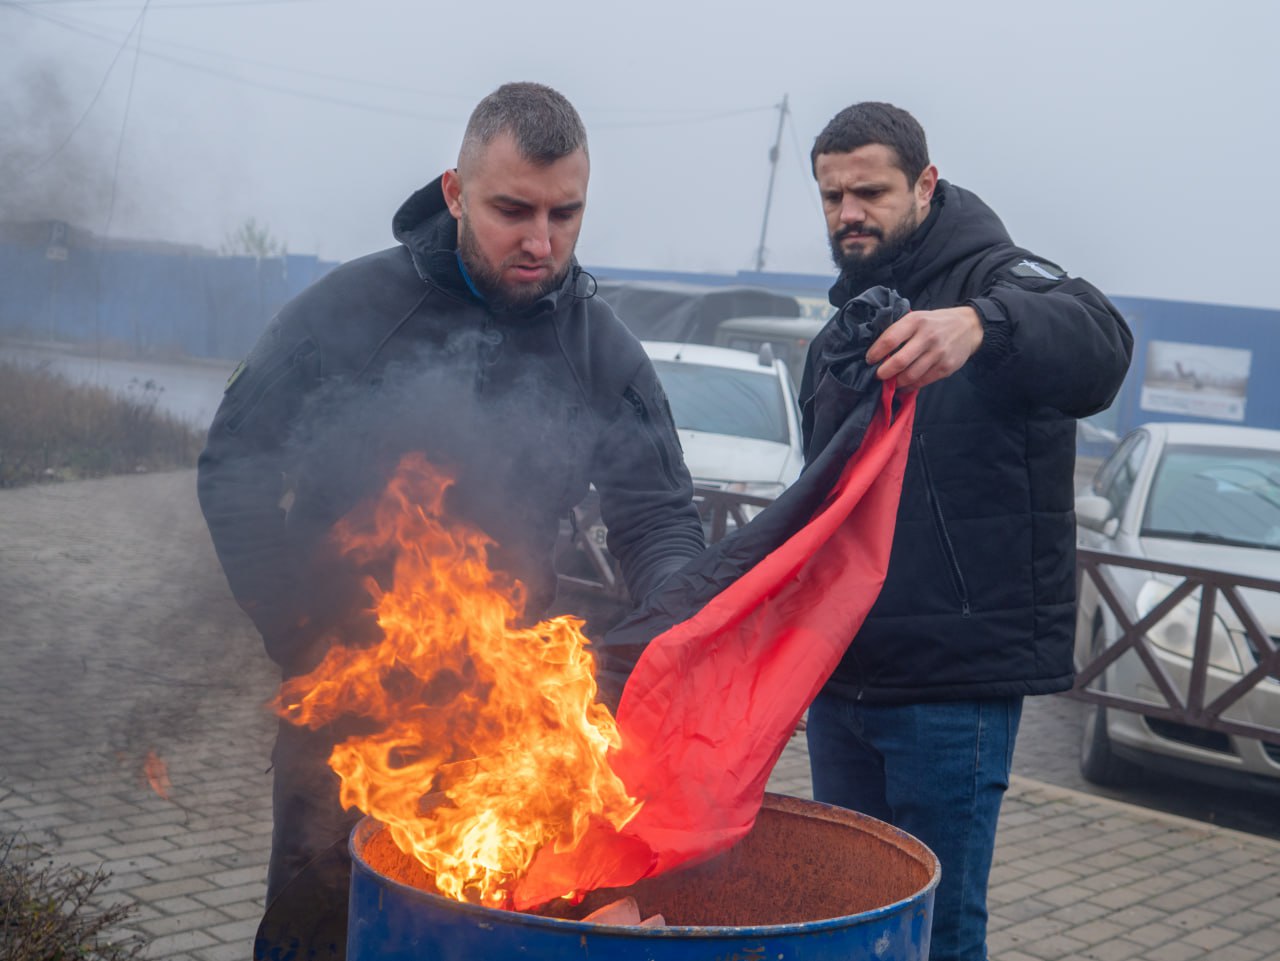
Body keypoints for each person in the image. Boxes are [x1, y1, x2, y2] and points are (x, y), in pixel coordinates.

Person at [197, 82, 705, 960]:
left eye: (565, 213)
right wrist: (304, 639)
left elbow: (659, 522)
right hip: (351, 719)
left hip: (513, 727)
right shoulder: (346, 315)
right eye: (513, 209)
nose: (540, 241)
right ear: (453, 190)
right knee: (317, 937)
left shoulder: (601, 350)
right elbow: (233, 470)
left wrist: (662, 652)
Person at [800, 102, 1133, 961]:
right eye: (833, 195)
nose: (849, 213)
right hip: (841, 681)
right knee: (844, 914)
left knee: (937, 930)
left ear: (926, 183)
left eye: (870, 191)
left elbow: (1101, 341)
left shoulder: (1003, 277)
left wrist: (982, 324)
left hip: (951, 686)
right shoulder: (843, 327)